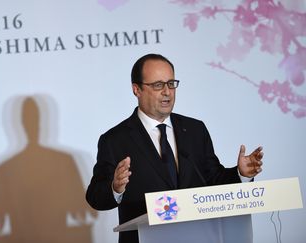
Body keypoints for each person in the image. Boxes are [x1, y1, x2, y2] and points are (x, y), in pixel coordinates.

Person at [85, 53, 263, 243]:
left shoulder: (195, 130)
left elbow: (213, 179)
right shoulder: (115, 139)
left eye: (171, 83)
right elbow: (95, 197)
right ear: (136, 89)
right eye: (158, 85)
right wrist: (115, 187)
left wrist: (241, 174)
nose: (167, 92)